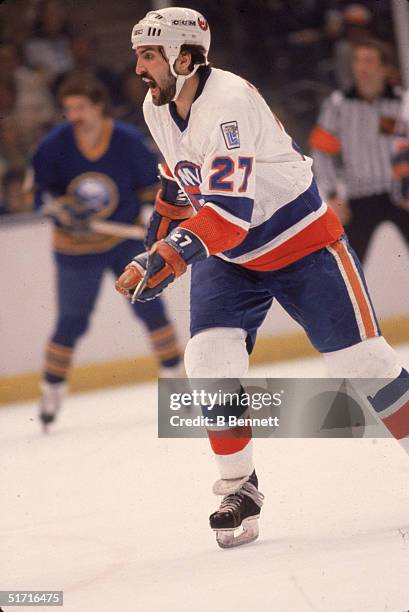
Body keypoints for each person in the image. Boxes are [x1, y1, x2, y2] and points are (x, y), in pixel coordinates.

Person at [115, 8, 409, 548]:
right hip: (231, 259)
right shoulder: (157, 105)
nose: (139, 66)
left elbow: (227, 213)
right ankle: (239, 486)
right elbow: (180, 184)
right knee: (207, 362)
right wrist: (156, 245)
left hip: (301, 246)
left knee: (364, 364)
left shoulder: (227, 103)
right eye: (139, 53)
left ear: (185, 57)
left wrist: (170, 257)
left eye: (149, 54)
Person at [31, 75, 184, 428]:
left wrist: (158, 220)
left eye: (81, 107)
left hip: (123, 241)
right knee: (71, 321)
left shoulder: (126, 141)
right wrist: (56, 209)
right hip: (74, 248)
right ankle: (51, 391)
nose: (74, 115)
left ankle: (177, 384)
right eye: (68, 109)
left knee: (150, 305)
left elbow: (152, 188)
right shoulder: (55, 144)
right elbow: (37, 192)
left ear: (98, 106)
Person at [310, 38, 409, 263]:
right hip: (358, 198)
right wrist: (333, 195)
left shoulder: (403, 102)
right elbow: (321, 152)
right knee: (346, 264)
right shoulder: (338, 105)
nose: (361, 67)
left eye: (369, 61)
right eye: (357, 60)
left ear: (385, 68)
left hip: (400, 193)